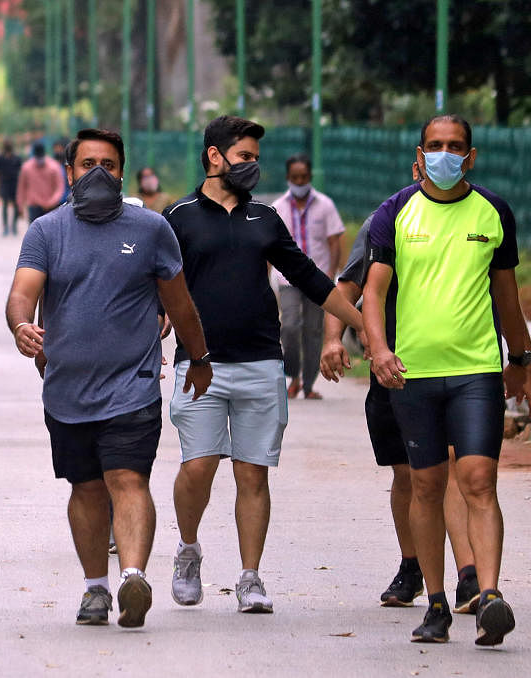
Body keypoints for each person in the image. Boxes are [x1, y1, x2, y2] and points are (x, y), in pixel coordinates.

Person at [6, 128, 212, 629]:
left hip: (133, 384)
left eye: (109, 164)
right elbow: (22, 292)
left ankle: (132, 577)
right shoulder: (46, 231)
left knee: (127, 478)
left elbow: (179, 302)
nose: (98, 172)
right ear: (69, 171)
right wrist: (21, 326)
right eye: (87, 164)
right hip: (67, 391)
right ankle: (95, 588)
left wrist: (200, 357)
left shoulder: (151, 229)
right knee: (87, 489)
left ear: (122, 172)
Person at [162, 115, 363, 615]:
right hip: (199, 365)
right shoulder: (177, 217)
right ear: (215, 156)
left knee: (253, 474)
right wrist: (156, 317)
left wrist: (366, 329)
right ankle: (188, 550)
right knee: (199, 466)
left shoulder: (265, 219)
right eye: (245, 156)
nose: (253, 166)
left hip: (260, 363)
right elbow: (156, 282)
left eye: (255, 158)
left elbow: (312, 279)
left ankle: (250, 578)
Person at [362, 114, 531, 645]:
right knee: (426, 485)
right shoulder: (395, 212)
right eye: (436, 146)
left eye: (456, 146)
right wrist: (378, 350)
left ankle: (489, 596)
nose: (446, 154)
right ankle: (437, 602)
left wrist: (522, 359)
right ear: (420, 153)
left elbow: (506, 296)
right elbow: (373, 293)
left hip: (476, 372)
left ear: (471, 155)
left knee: (479, 481)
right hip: (414, 374)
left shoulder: (493, 211)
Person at [320, 208, 481, 615]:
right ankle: (412, 566)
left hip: (456, 365)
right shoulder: (386, 222)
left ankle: (468, 576)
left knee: (446, 465)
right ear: (417, 168)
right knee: (407, 472)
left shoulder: (477, 219)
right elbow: (349, 287)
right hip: (394, 366)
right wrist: (334, 339)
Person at [272, 154, 345, 399]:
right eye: (295, 177)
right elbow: (270, 247)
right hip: (288, 280)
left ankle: (309, 384)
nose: (300, 181)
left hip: (318, 279)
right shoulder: (279, 207)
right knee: (290, 326)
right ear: (288, 178)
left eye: (304, 177)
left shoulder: (325, 205)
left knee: (314, 331)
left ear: (310, 177)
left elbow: (335, 242)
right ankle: (293, 375)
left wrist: (331, 274)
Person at [16, 142, 65, 225]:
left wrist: (52, 201)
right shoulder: (27, 168)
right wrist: (20, 206)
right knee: (35, 234)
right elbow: (21, 188)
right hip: (34, 206)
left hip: (51, 207)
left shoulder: (54, 167)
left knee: (50, 234)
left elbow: (59, 187)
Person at [0, 141, 23, 235]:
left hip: (14, 183)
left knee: (14, 205)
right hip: (5, 183)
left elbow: (20, 172)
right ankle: (6, 227)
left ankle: (14, 226)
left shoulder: (17, 158)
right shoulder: (0, 158)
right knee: (5, 206)